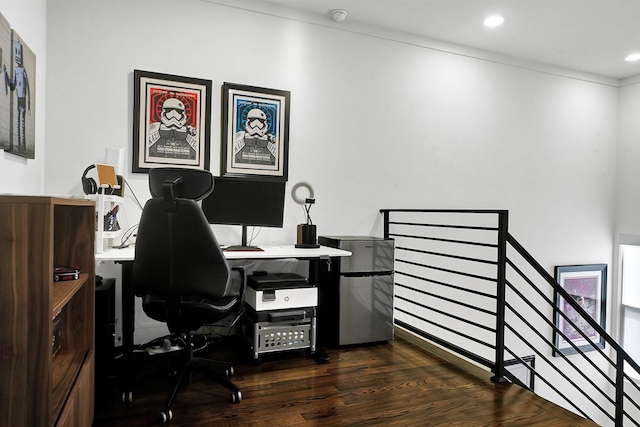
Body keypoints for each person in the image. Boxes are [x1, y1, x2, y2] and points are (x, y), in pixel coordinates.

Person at [4, 40, 31, 153]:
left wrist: (28, 104)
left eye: (18, 52)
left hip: (23, 100)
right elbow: (13, 85)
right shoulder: (16, 71)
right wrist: (6, 75)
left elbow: (28, 88)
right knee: (18, 123)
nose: (17, 56)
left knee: (23, 123)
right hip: (19, 98)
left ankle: (22, 145)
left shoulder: (23, 71)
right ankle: (19, 145)